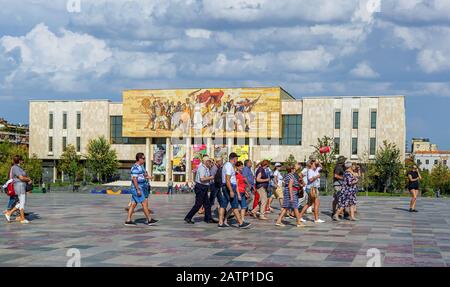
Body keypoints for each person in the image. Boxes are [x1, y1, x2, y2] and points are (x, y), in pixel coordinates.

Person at [218, 153, 251, 228]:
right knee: (234, 205)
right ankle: (240, 223)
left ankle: (220, 222)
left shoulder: (227, 165)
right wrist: (231, 190)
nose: (237, 160)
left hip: (226, 186)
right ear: (234, 158)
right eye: (237, 158)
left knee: (223, 204)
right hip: (229, 187)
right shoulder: (229, 166)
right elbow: (227, 179)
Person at [125, 153, 158, 226]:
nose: (144, 159)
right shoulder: (135, 168)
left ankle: (128, 220)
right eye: (143, 158)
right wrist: (138, 190)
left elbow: (144, 175)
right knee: (144, 203)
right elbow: (134, 179)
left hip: (143, 186)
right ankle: (149, 219)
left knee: (133, 204)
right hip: (137, 187)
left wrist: (150, 177)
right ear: (139, 159)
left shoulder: (141, 166)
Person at [184, 156, 218, 224]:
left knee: (207, 204)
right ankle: (188, 217)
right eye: (209, 161)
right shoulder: (202, 168)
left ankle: (208, 219)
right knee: (198, 204)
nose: (211, 163)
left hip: (204, 187)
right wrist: (211, 177)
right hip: (200, 187)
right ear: (205, 162)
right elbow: (202, 179)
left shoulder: (206, 168)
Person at [4, 155, 32, 224]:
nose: (22, 161)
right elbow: (21, 178)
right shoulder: (15, 168)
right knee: (22, 202)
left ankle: (9, 213)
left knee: (20, 202)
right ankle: (22, 219)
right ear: (19, 161)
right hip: (19, 186)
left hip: (21, 186)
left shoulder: (18, 167)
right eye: (21, 160)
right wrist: (28, 179)